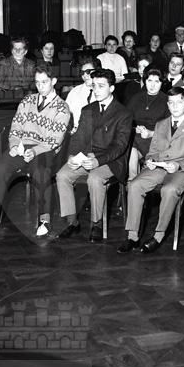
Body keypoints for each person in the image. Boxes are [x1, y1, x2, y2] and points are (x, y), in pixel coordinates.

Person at [0, 64, 71, 238]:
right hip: (22, 147)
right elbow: (16, 126)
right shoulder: (27, 101)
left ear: (53, 81)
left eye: (44, 82)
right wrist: (15, 145)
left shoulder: (62, 107)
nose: (40, 86)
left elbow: (55, 139)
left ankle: (44, 220)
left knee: (40, 172)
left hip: (45, 149)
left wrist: (35, 151)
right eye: (37, 82)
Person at [117, 87, 184, 255]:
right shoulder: (161, 124)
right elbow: (153, 151)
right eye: (171, 103)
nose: (175, 106)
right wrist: (151, 160)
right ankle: (132, 236)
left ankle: (158, 235)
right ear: (167, 104)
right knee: (135, 185)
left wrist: (179, 165)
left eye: (179, 102)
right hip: (160, 167)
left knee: (169, 189)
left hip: (183, 170)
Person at [55, 68, 133, 242]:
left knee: (95, 179)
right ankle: (72, 222)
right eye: (94, 86)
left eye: (101, 86)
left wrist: (98, 161)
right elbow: (78, 138)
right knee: (62, 175)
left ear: (112, 88)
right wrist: (72, 156)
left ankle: (96, 223)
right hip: (87, 157)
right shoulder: (88, 109)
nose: (96, 90)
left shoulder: (123, 113)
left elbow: (120, 146)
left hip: (111, 160)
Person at [125, 68, 170, 182]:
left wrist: (151, 133)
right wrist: (134, 128)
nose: (152, 85)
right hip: (136, 137)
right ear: (145, 81)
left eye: (157, 81)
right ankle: (132, 178)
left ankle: (134, 179)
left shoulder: (167, 100)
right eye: (149, 81)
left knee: (131, 144)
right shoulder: (136, 98)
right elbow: (125, 120)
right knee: (130, 142)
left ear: (162, 83)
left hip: (156, 139)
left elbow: (170, 130)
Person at [65, 57, 97, 133]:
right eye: (82, 73)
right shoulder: (74, 92)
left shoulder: (104, 92)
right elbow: (65, 114)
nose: (85, 75)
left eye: (88, 72)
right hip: (77, 132)